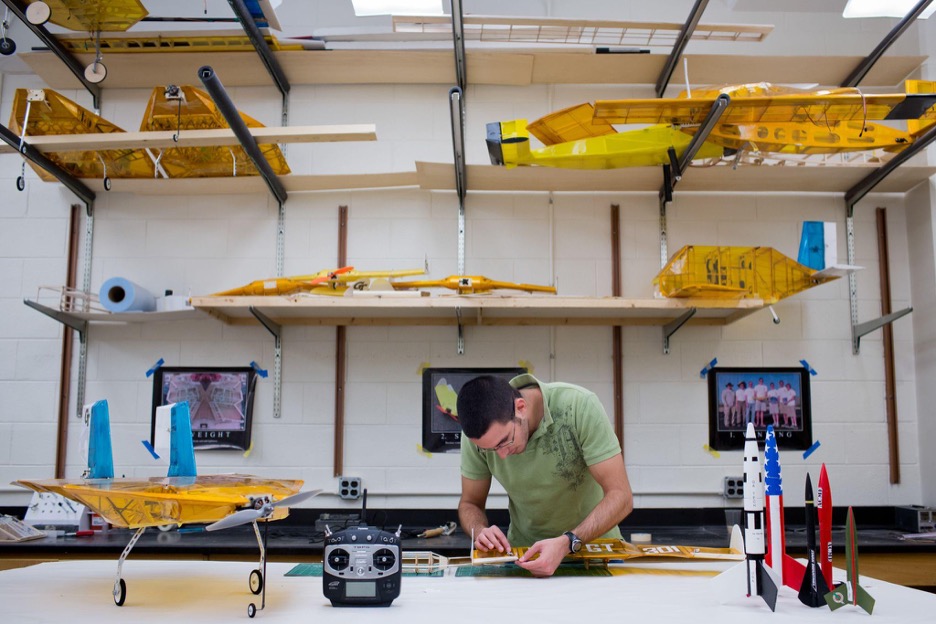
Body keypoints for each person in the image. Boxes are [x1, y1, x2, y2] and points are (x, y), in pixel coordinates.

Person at [456, 373, 633, 577]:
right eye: (491, 449)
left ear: (521, 408)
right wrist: (479, 531)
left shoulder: (578, 406)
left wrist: (568, 542)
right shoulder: (477, 438)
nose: (502, 455)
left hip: (597, 553)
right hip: (525, 558)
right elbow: (470, 503)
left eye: (505, 441)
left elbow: (621, 496)